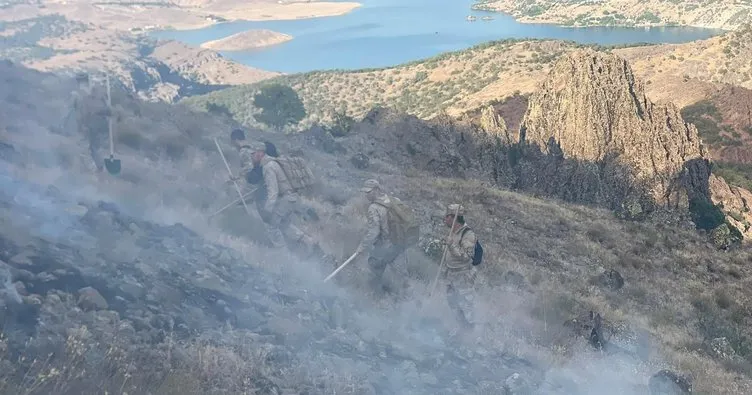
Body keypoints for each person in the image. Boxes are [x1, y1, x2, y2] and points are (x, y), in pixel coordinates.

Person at [231, 134, 316, 253]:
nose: (252, 157)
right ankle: (308, 241)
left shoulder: (268, 167)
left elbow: (273, 191)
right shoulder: (272, 163)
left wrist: (268, 209)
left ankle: (284, 256)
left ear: (260, 153)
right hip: (292, 199)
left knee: (271, 226)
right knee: (283, 223)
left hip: (286, 199)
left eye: (253, 154)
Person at [355, 179, 406, 293]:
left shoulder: (373, 208)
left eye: (369, 192)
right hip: (399, 244)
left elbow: (374, 232)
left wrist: (362, 247)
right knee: (402, 277)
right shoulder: (394, 200)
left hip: (385, 247)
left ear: (377, 190)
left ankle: (374, 299)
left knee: (373, 270)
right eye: (366, 192)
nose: (367, 195)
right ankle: (409, 301)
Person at [441, 203, 478, 329]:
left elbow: (466, 256)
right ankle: (461, 329)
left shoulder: (468, 234)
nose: (444, 219)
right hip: (451, 274)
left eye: (447, 217)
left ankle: (472, 334)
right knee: (453, 303)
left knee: (466, 306)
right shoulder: (454, 232)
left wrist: (451, 245)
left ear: (453, 218)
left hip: (462, 276)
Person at [70, 72, 111, 172]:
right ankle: (100, 167)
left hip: (87, 124)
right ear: (87, 80)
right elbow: (107, 108)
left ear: (78, 81)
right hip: (100, 123)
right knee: (95, 147)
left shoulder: (76, 94)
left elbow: (72, 109)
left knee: (85, 146)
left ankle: (91, 169)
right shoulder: (97, 92)